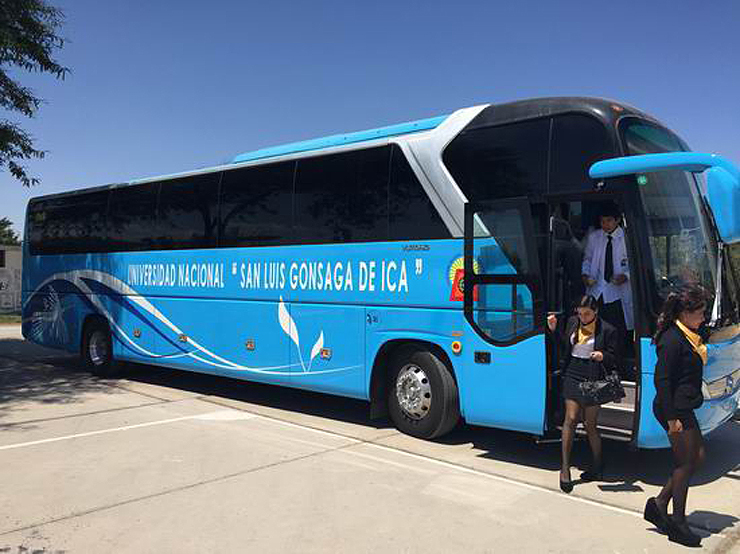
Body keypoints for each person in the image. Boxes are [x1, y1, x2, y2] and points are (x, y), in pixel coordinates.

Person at [644, 284, 710, 547]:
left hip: (682, 406)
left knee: (696, 458)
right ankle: (678, 523)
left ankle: (659, 505)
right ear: (684, 313)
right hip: (673, 409)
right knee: (686, 463)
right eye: (700, 313)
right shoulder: (672, 340)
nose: (703, 318)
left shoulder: (689, 334)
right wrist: (672, 419)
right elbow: (661, 380)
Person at [547, 295, 619, 493]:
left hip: (592, 375)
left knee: (590, 424)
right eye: (580, 313)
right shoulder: (572, 323)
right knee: (570, 419)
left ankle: (597, 464)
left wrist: (603, 355)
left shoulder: (607, 329)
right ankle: (565, 468)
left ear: (595, 311)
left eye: (587, 313)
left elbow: (615, 356)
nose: (583, 317)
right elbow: (564, 346)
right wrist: (554, 331)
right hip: (572, 372)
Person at [581, 202, 634, 363]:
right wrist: (585, 275)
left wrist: (625, 276)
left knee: (618, 331)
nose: (605, 225)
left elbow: (635, 264)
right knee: (597, 330)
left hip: (618, 293)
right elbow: (588, 259)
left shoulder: (626, 237)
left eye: (609, 221)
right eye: (603, 221)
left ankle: (616, 362)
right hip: (598, 291)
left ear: (617, 220)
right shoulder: (595, 237)